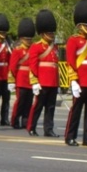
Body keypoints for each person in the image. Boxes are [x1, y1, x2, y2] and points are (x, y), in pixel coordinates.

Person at [64, 0, 87, 147]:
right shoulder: (73, 41)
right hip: (80, 81)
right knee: (76, 111)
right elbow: (70, 62)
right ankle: (70, 136)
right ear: (79, 26)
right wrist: (73, 81)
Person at [27, 9, 60, 137]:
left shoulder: (55, 47)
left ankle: (48, 129)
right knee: (38, 107)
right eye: (49, 32)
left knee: (50, 108)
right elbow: (33, 65)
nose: (51, 34)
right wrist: (35, 82)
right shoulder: (37, 46)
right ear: (42, 33)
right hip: (42, 81)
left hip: (52, 82)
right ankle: (31, 127)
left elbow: (55, 65)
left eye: (52, 32)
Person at [9, 18, 35, 130]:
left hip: (30, 80)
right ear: (21, 38)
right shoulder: (17, 50)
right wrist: (11, 80)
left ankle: (25, 121)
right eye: (26, 39)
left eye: (30, 39)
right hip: (21, 79)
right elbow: (13, 66)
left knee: (28, 103)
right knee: (20, 102)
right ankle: (15, 120)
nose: (29, 41)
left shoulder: (33, 49)